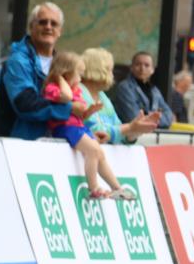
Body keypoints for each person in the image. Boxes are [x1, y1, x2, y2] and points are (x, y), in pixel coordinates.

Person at [42, 52, 135, 200]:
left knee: (99, 152)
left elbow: (80, 114)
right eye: (78, 74)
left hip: (77, 127)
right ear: (66, 73)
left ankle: (117, 187)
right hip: (65, 128)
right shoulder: (53, 88)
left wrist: (90, 110)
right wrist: (58, 77)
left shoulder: (75, 89)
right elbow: (66, 97)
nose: (80, 79)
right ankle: (94, 188)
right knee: (92, 150)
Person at [0, 2, 71, 139]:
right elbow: (25, 105)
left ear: (60, 31)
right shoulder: (17, 61)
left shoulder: (63, 66)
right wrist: (68, 108)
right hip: (13, 148)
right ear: (31, 27)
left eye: (54, 23)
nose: (48, 27)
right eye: (43, 22)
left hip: (51, 148)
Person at [80, 47, 160, 145]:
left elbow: (118, 129)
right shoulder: (79, 92)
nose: (112, 74)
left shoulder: (102, 96)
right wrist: (130, 128)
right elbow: (96, 132)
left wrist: (135, 132)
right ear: (98, 69)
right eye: (109, 69)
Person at [112, 51, 174, 129]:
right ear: (131, 67)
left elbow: (169, 116)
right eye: (138, 64)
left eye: (147, 65)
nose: (142, 68)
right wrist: (155, 117)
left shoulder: (155, 91)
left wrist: (147, 115)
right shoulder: (124, 88)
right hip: (130, 137)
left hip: (154, 136)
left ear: (152, 70)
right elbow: (133, 117)